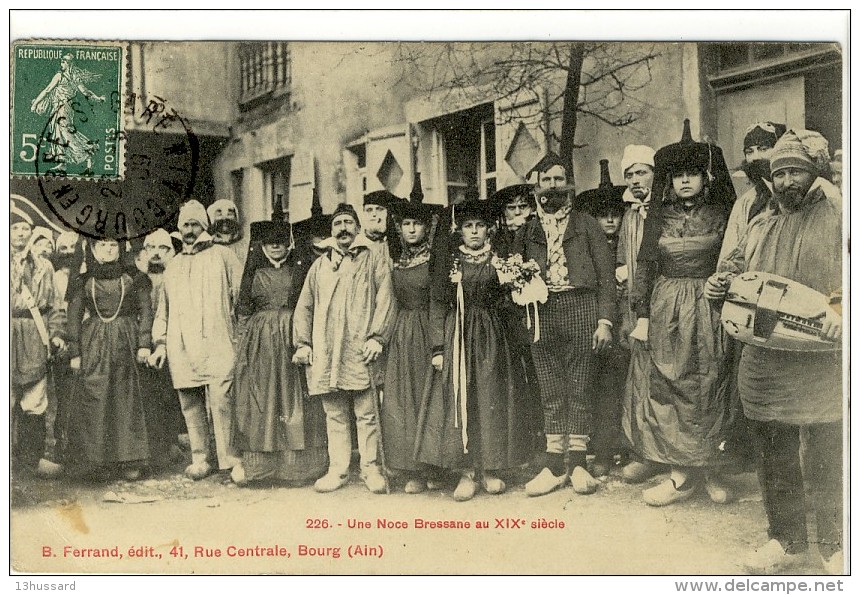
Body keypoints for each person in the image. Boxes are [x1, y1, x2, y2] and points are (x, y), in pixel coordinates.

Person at [707, 129, 843, 574]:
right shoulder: (760, 222)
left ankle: (835, 540)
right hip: (766, 358)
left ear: (814, 174)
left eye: (796, 171)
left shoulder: (839, 214)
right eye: (779, 172)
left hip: (821, 355)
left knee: (828, 448)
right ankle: (785, 539)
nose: (786, 181)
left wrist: (840, 305)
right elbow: (736, 278)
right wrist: (718, 286)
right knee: (774, 451)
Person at [628, 119, 735, 506]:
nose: (685, 182)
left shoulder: (723, 215)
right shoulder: (660, 217)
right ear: (669, 182)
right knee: (673, 382)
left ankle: (710, 470)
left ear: (706, 179)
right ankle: (680, 474)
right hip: (667, 304)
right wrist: (641, 313)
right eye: (678, 176)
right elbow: (645, 264)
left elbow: (734, 257)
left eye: (693, 174)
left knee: (711, 381)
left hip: (710, 303)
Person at [415, 198, 532, 501]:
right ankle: (467, 472)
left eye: (480, 226)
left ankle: (490, 469)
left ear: (489, 229)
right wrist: (438, 347)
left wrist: (516, 289)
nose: (475, 232)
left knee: (490, 397)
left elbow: (512, 300)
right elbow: (438, 304)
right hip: (459, 336)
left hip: (493, 336)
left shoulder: (500, 260)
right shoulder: (450, 262)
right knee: (462, 398)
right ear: (460, 230)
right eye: (469, 226)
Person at [512, 157, 615, 497]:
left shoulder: (586, 225)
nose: (553, 186)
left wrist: (604, 322)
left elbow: (606, 278)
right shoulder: (526, 231)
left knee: (581, 385)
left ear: (569, 184)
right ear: (536, 186)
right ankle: (555, 465)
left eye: (559, 179)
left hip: (581, 307)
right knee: (551, 388)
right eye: (546, 180)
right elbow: (514, 276)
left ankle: (580, 462)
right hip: (540, 312)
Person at [292, 203, 394, 494]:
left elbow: (386, 299)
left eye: (349, 222)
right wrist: (303, 343)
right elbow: (305, 307)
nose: (343, 229)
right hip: (326, 350)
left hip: (360, 347)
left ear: (358, 228)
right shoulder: (319, 265)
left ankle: (371, 468)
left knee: (367, 412)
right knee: (334, 414)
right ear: (331, 231)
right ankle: (338, 469)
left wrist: (377, 337)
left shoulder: (373, 259)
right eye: (338, 224)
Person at [230, 220, 328, 486]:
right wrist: (243, 348)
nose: (275, 246)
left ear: (290, 244)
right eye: (269, 242)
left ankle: (297, 468)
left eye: (281, 241)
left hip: (291, 337)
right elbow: (243, 312)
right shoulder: (253, 273)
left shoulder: (300, 271)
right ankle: (260, 467)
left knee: (293, 397)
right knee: (263, 398)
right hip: (259, 343)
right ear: (261, 245)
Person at [150, 200, 243, 480]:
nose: (189, 230)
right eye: (185, 225)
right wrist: (161, 343)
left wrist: (238, 334)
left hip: (218, 341)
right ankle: (201, 458)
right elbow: (162, 310)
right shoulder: (173, 266)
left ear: (204, 226)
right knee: (190, 403)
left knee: (222, 402)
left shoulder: (223, 256)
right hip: (182, 345)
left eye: (194, 224)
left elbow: (240, 298)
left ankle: (229, 460)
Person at [64, 238, 153, 480]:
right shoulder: (83, 280)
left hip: (127, 339)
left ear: (120, 249)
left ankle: (129, 459)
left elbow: (146, 310)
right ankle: (97, 461)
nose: (108, 250)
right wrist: (75, 352)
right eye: (102, 245)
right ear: (93, 249)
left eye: (113, 245)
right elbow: (73, 316)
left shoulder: (134, 278)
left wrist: (144, 343)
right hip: (94, 342)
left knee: (126, 395)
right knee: (97, 393)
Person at [613, 144, 667, 484]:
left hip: (664, 304)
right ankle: (646, 454)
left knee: (666, 378)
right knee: (640, 380)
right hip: (635, 306)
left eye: (641, 172)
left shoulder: (663, 209)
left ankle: (671, 455)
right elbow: (623, 261)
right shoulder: (630, 215)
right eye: (630, 174)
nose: (635, 180)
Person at [380, 200, 440, 493]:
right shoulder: (397, 261)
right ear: (400, 229)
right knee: (404, 399)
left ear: (427, 227)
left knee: (429, 398)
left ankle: (434, 468)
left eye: (417, 223)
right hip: (402, 333)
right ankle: (412, 470)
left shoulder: (435, 261)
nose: (412, 229)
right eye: (406, 224)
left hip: (429, 329)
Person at [577, 158, 628, 478]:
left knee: (626, 387)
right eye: (603, 215)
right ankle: (603, 450)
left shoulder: (628, 244)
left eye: (615, 214)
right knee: (601, 388)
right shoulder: (590, 247)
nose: (610, 220)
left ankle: (627, 448)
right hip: (597, 323)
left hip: (628, 322)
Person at [10, 204, 65, 476]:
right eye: (15, 228)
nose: (20, 233)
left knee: (34, 400)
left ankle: (31, 461)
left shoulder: (45, 266)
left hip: (34, 334)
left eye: (25, 229)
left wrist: (55, 334)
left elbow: (55, 306)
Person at [136, 229, 184, 470]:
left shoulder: (176, 276)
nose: (156, 253)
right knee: (146, 394)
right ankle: (150, 447)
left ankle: (171, 441)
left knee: (170, 393)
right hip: (143, 344)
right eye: (151, 248)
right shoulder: (137, 279)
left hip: (171, 340)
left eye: (162, 248)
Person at [718, 122, 786, 263]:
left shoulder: (795, 194)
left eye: (763, 149)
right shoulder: (745, 202)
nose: (755, 157)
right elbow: (730, 252)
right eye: (749, 152)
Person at [29, 53, 105, 175]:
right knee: (58, 134)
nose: (61, 63)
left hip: (62, 108)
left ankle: (88, 153)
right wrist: (98, 98)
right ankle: (63, 163)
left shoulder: (60, 76)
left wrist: (35, 104)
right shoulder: (75, 77)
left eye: (63, 62)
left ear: (68, 63)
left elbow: (47, 90)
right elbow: (86, 92)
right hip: (64, 108)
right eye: (61, 61)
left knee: (65, 133)